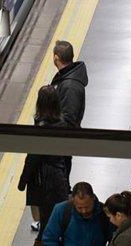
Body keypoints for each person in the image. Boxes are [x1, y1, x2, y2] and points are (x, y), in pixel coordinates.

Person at [18, 86, 70, 245]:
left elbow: (33, 157)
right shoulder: (62, 122)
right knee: (55, 219)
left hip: (43, 180)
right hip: (59, 176)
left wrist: (22, 182)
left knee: (46, 222)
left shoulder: (41, 126)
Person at [50, 40, 87, 183]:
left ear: (56, 57)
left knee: (61, 181)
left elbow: (69, 118)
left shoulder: (70, 86)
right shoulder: (66, 77)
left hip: (62, 144)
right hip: (60, 142)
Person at [43, 182, 113, 246]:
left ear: (93, 199)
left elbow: (114, 239)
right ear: (73, 200)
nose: (84, 211)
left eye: (87, 207)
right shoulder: (60, 210)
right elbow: (49, 239)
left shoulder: (106, 213)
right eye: (79, 208)